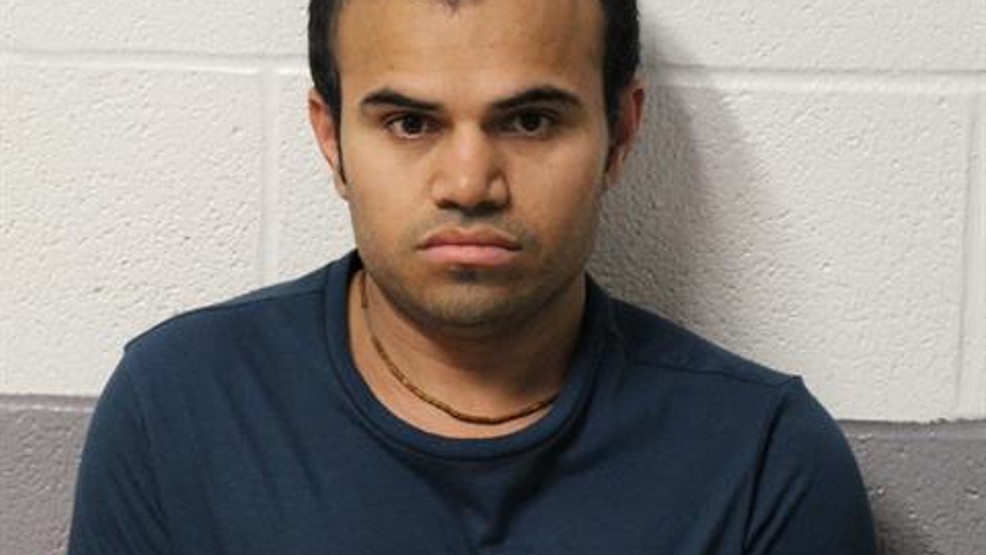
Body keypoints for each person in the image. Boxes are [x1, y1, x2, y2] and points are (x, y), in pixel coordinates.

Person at [67, 0, 878, 553]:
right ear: (331, 137)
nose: (468, 183)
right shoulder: (179, 409)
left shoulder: (762, 460)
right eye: (409, 123)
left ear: (620, 132)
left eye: (529, 120)